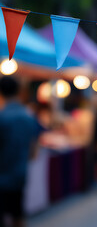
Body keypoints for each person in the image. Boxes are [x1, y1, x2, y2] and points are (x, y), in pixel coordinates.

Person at [0, 77, 42, 227]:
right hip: (20, 173)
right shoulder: (29, 116)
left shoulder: (3, 116)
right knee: (18, 215)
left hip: (3, 176)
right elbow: (33, 150)